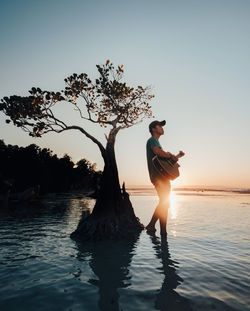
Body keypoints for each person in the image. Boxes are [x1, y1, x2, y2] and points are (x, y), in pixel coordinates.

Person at [145, 120, 179, 236]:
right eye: (160, 126)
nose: (162, 128)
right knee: (164, 202)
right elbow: (157, 152)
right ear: (154, 129)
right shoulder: (152, 140)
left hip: (161, 177)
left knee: (164, 202)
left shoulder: (156, 142)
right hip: (159, 177)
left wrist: (173, 158)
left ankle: (153, 226)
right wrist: (170, 155)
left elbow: (161, 158)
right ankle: (161, 231)